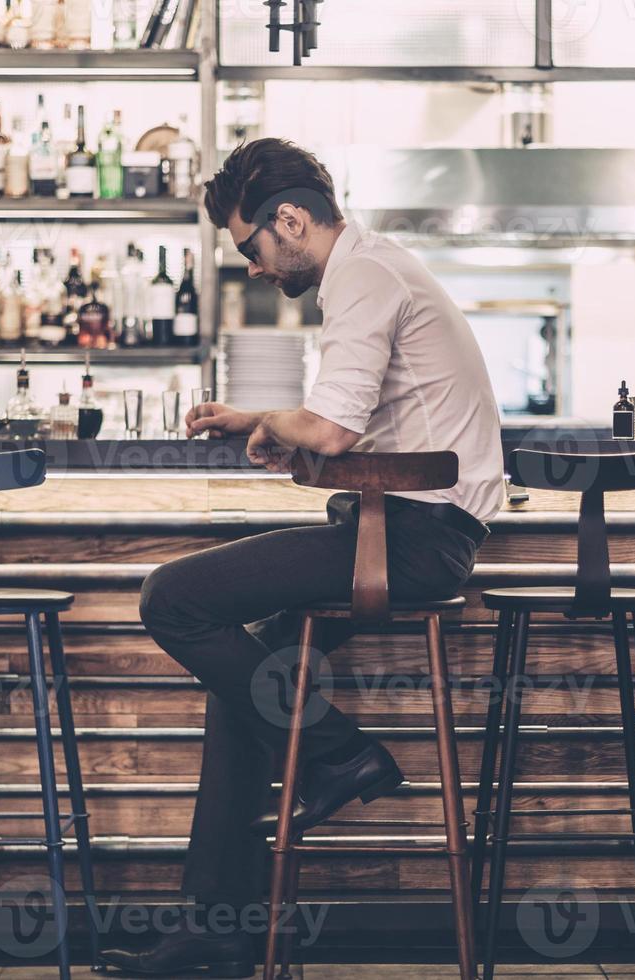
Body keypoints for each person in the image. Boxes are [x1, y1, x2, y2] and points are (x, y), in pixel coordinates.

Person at [99, 138, 502, 977]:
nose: (251, 266)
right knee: (254, 681)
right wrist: (265, 420)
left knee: (170, 599)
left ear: (290, 220)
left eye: (251, 246)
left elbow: (326, 431)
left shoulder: (363, 277)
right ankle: (217, 931)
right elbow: (344, 429)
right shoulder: (373, 269)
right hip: (398, 527)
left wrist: (284, 423)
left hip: (414, 540)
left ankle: (338, 752)